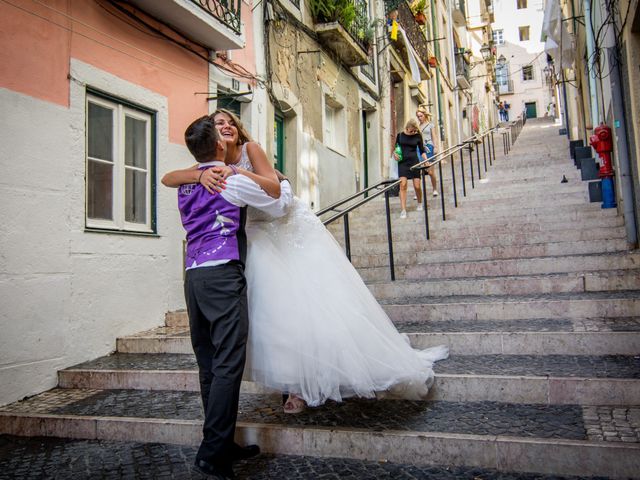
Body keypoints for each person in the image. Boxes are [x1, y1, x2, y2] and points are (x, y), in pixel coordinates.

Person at [165, 113, 448, 416]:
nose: (226, 126)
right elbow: (169, 177)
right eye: (219, 123)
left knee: (301, 307)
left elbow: (275, 189)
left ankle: (303, 385)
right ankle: (290, 380)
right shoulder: (207, 163)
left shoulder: (251, 151)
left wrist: (237, 172)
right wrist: (197, 175)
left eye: (230, 122)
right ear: (215, 141)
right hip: (252, 238)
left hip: (284, 228)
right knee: (271, 316)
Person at [174, 115, 293, 479]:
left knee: (209, 364)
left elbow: (170, 177)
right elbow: (278, 204)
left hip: (193, 275)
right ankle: (212, 454)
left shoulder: (188, 183)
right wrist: (281, 183)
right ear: (221, 146)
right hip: (223, 274)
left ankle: (221, 444)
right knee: (228, 364)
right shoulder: (228, 181)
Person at [393, 118, 428, 219]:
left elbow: (422, 150)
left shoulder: (418, 135)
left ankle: (420, 203)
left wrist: (426, 160)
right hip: (402, 163)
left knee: (417, 185)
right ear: (407, 127)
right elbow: (396, 149)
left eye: (414, 131)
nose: (413, 132)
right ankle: (403, 210)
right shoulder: (400, 136)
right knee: (403, 185)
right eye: (411, 130)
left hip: (414, 162)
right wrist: (395, 154)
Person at [416, 108, 440, 198]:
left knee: (430, 172)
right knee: (420, 171)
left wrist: (436, 147)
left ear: (425, 115)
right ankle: (418, 192)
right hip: (420, 149)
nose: (419, 118)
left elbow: (434, 136)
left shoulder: (430, 125)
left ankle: (434, 189)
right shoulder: (417, 126)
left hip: (429, 147)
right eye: (418, 116)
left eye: (421, 116)